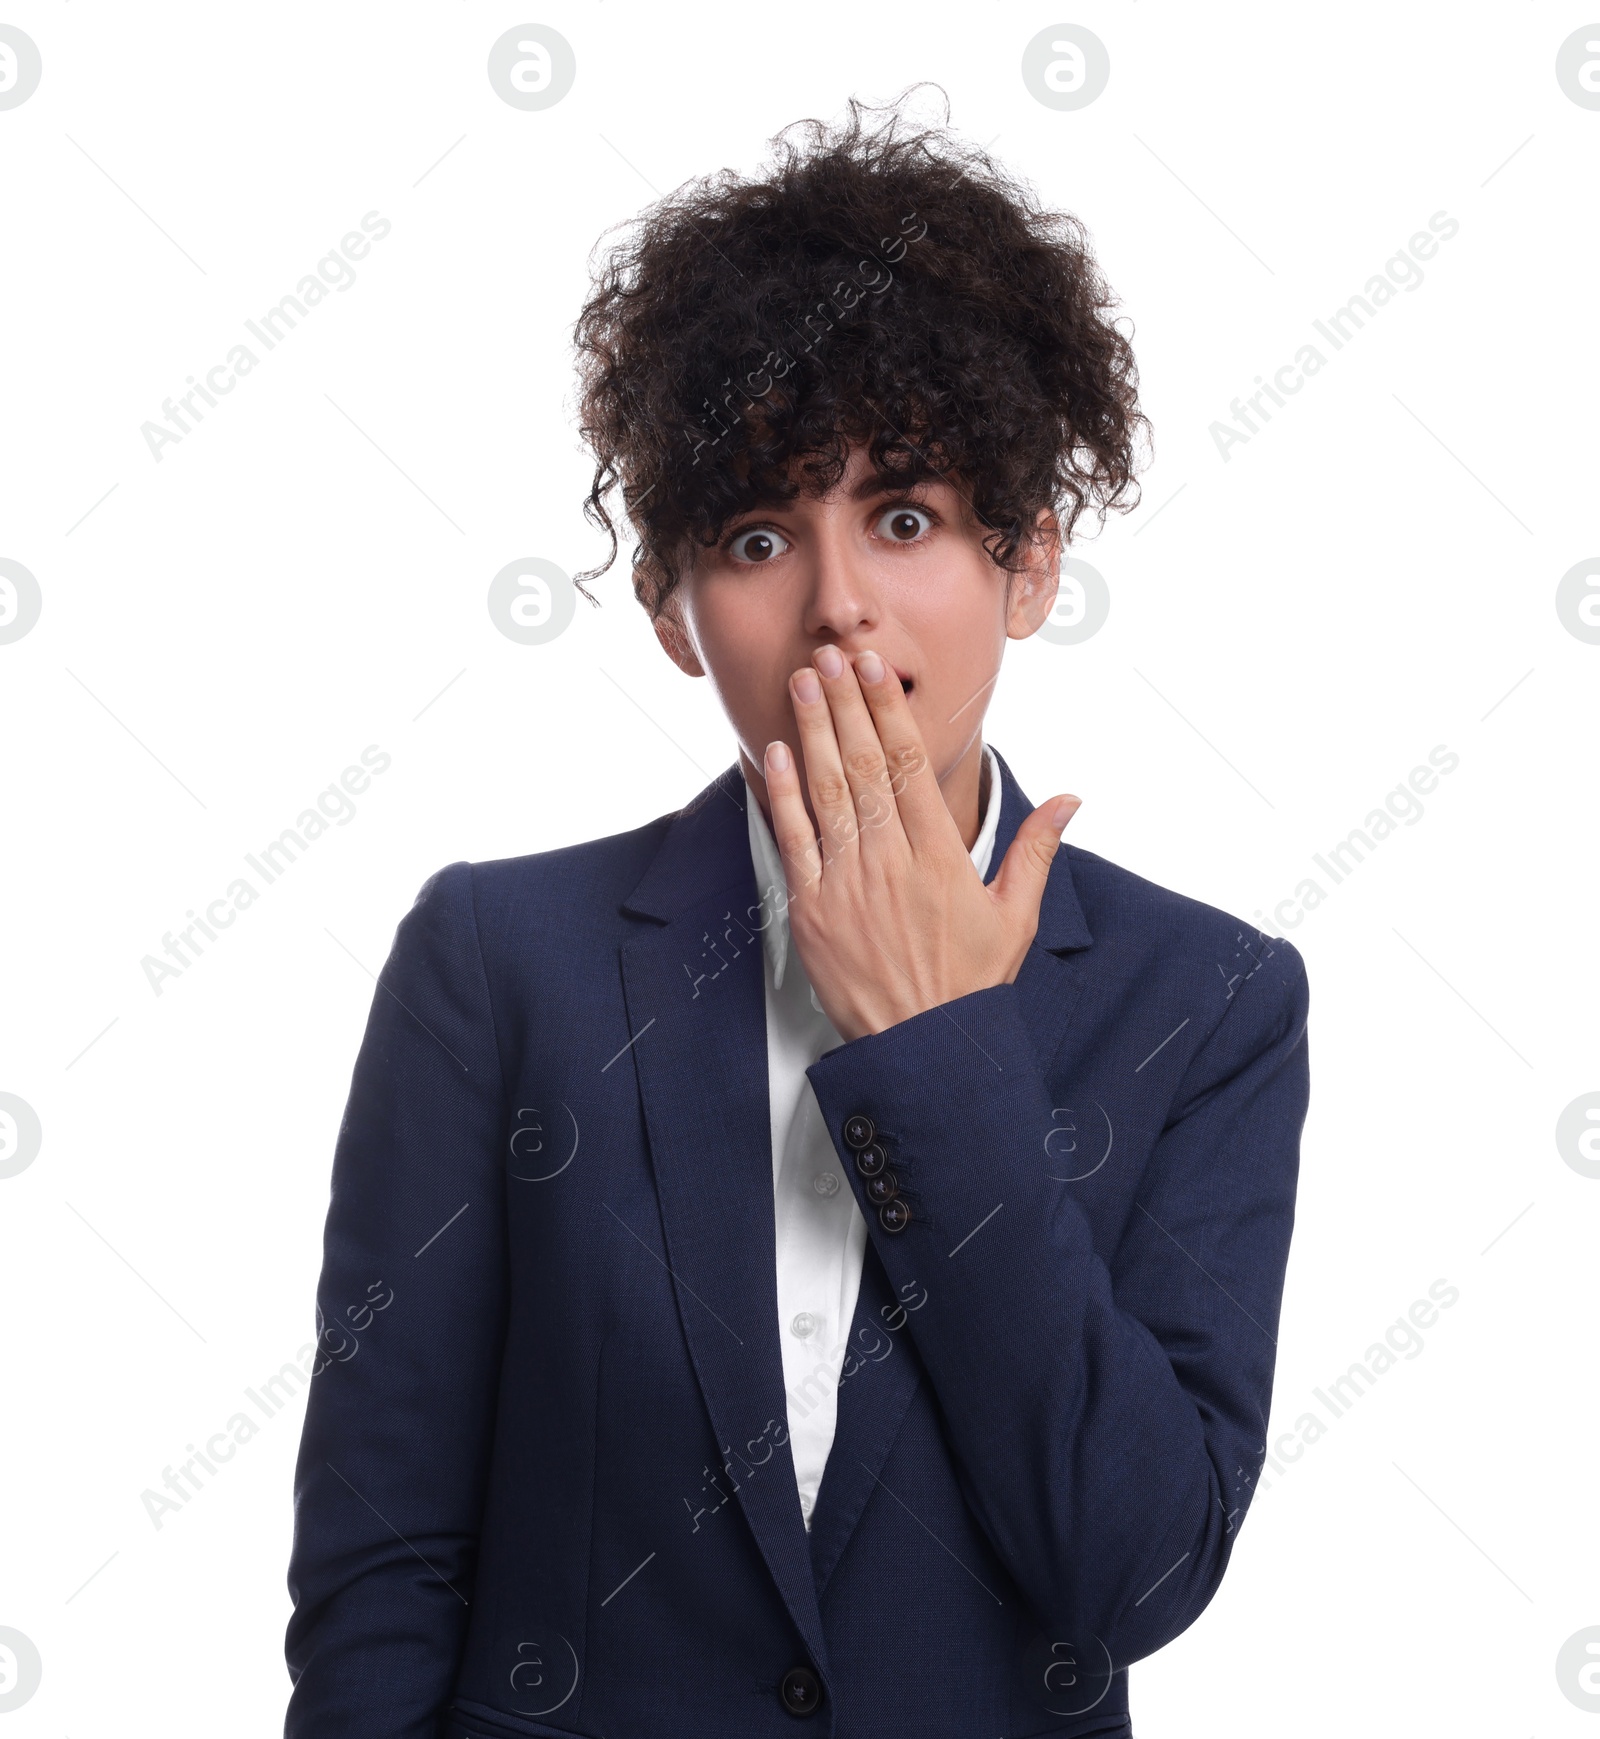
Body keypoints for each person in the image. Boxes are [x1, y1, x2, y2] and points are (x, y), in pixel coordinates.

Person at [284, 94, 1311, 1739]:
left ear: (1029, 565)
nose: (838, 602)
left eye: (905, 518)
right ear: (678, 616)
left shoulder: (1211, 999)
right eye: (761, 536)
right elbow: (384, 1567)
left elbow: (1134, 1569)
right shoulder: (500, 966)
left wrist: (939, 1046)